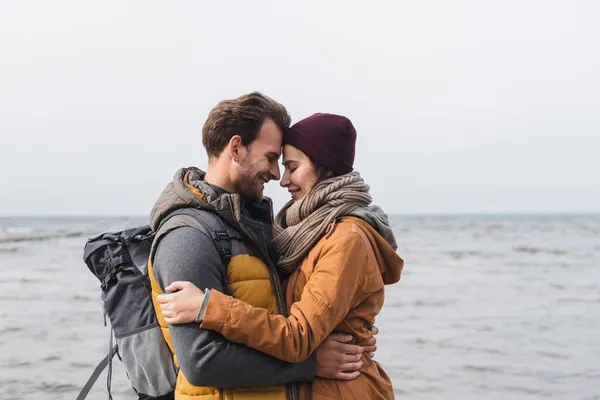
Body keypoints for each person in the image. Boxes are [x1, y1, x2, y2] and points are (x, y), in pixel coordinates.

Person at [157, 113, 404, 399]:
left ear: (327, 168)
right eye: (279, 164)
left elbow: (298, 336)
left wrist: (209, 307)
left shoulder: (347, 238)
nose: (282, 179)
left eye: (292, 167)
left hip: (342, 390)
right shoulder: (301, 231)